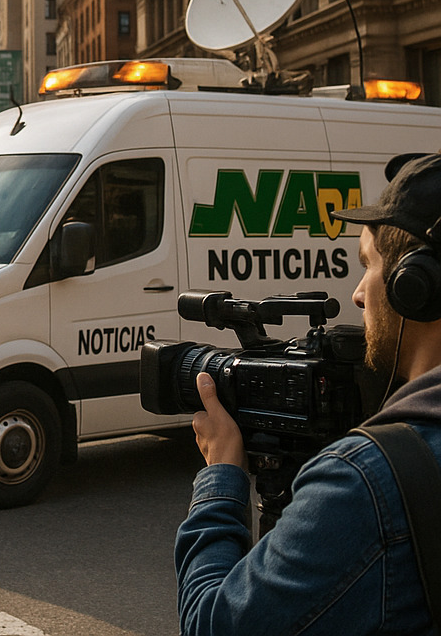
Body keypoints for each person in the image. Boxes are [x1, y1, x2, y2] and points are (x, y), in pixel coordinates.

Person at [175, 152, 441, 635]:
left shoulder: (367, 483)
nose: (359, 294)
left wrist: (221, 475)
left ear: (416, 285)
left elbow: (213, 626)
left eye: (369, 265)